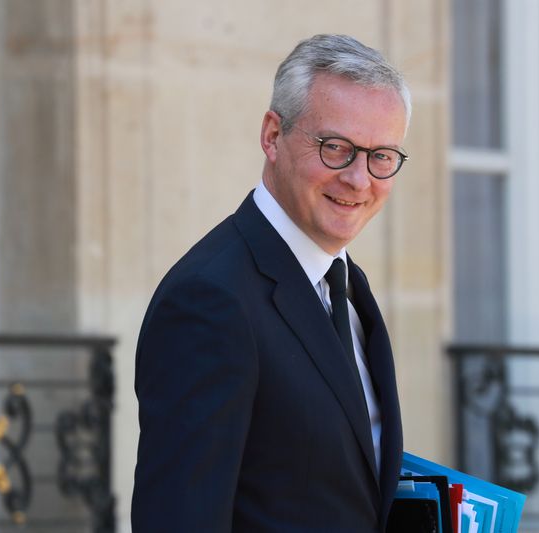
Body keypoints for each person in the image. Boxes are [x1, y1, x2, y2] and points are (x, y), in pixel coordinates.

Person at [131, 34, 412, 531]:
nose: (359, 179)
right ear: (271, 136)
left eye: (382, 156)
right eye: (336, 148)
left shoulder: (346, 284)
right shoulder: (209, 299)